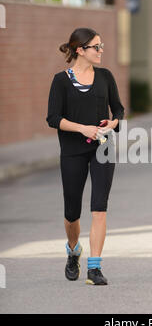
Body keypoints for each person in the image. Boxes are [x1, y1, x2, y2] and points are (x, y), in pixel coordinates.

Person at [46, 28, 124, 285]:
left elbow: (119, 111)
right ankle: (73, 249)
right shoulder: (61, 80)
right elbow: (53, 119)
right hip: (72, 151)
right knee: (72, 213)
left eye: (102, 46)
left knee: (99, 209)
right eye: (96, 47)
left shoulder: (105, 76)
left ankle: (94, 267)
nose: (101, 51)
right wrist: (82, 128)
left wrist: (112, 123)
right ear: (80, 50)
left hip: (102, 147)